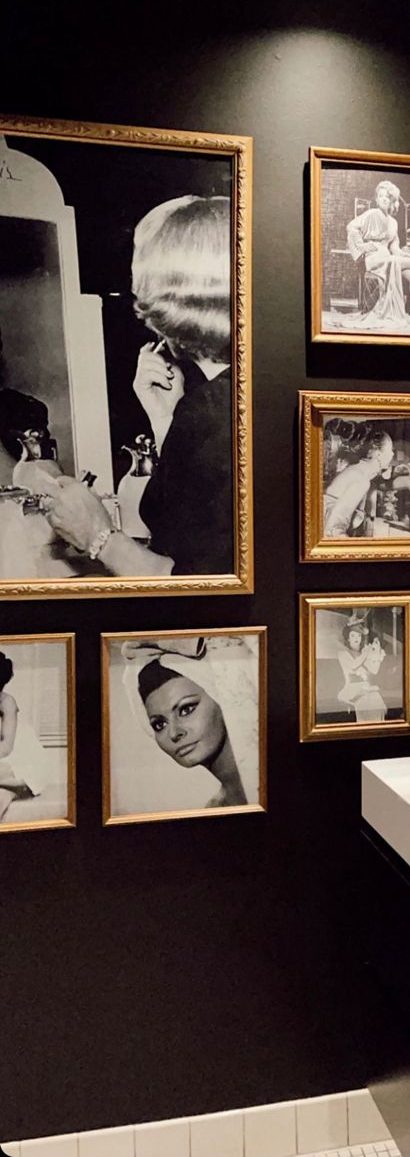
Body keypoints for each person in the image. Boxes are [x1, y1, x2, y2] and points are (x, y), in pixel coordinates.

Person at [37, 195, 234, 577]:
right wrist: (165, 418)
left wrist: (98, 536)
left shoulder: (215, 408)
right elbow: (194, 525)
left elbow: (198, 588)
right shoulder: (222, 398)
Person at [122, 636, 259, 809]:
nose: (174, 733)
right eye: (159, 724)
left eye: (186, 710)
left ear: (223, 698)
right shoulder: (213, 810)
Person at [345, 181, 410, 331]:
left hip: (388, 258)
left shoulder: (393, 223)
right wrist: (361, 247)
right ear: (376, 199)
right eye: (380, 196)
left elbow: (394, 249)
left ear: (392, 201)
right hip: (373, 259)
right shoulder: (372, 213)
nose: (383, 199)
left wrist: (405, 254)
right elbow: (351, 227)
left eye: (387, 197)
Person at [0, 651, 50, 821]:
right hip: (6, 771)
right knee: (3, 795)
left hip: (20, 762)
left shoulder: (7, 702)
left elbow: (6, 748)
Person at [323, 431, 394, 537]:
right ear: (378, 454)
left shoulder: (356, 471)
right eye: (391, 450)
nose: (393, 454)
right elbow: (333, 529)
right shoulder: (361, 480)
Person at [336, 619, 387, 723]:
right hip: (352, 687)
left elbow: (374, 671)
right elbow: (353, 666)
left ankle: (376, 729)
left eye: (359, 636)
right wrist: (366, 653)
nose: (356, 638)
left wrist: (376, 655)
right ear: (348, 638)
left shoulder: (364, 652)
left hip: (366, 686)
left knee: (376, 700)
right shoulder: (342, 653)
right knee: (366, 698)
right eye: (353, 636)